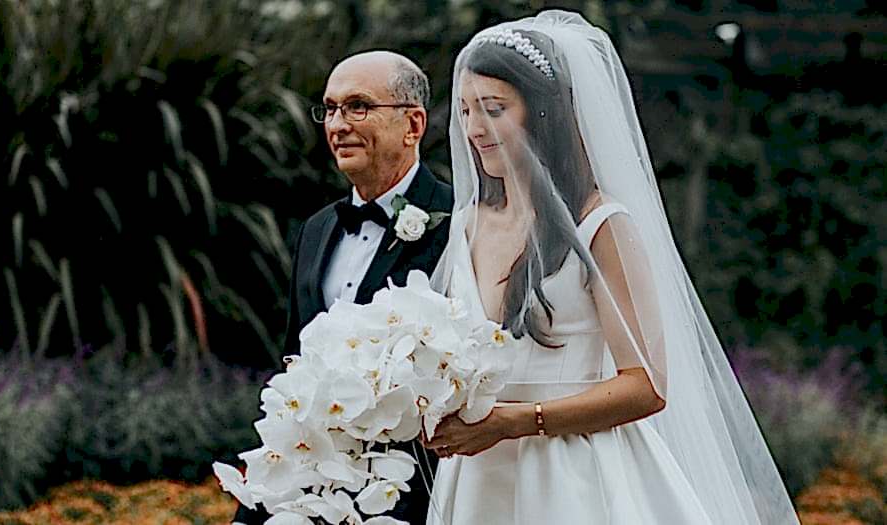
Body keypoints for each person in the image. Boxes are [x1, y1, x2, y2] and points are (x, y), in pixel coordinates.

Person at [424, 11, 797, 524]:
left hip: (574, 476)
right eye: (465, 111)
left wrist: (517, 422)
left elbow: (646, 384)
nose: (473, 130)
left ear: (543, 112)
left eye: (493, 109)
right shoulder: (466, 225)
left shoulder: (601, 225)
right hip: (479, 479)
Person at [234, 50, 450, 525]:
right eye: (330, 109)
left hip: (415, 491)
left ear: (413, 125)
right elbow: (295, 363)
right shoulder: (316, 230)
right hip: (315, 482)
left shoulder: (458, 224)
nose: (337, 124)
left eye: (358, 106)